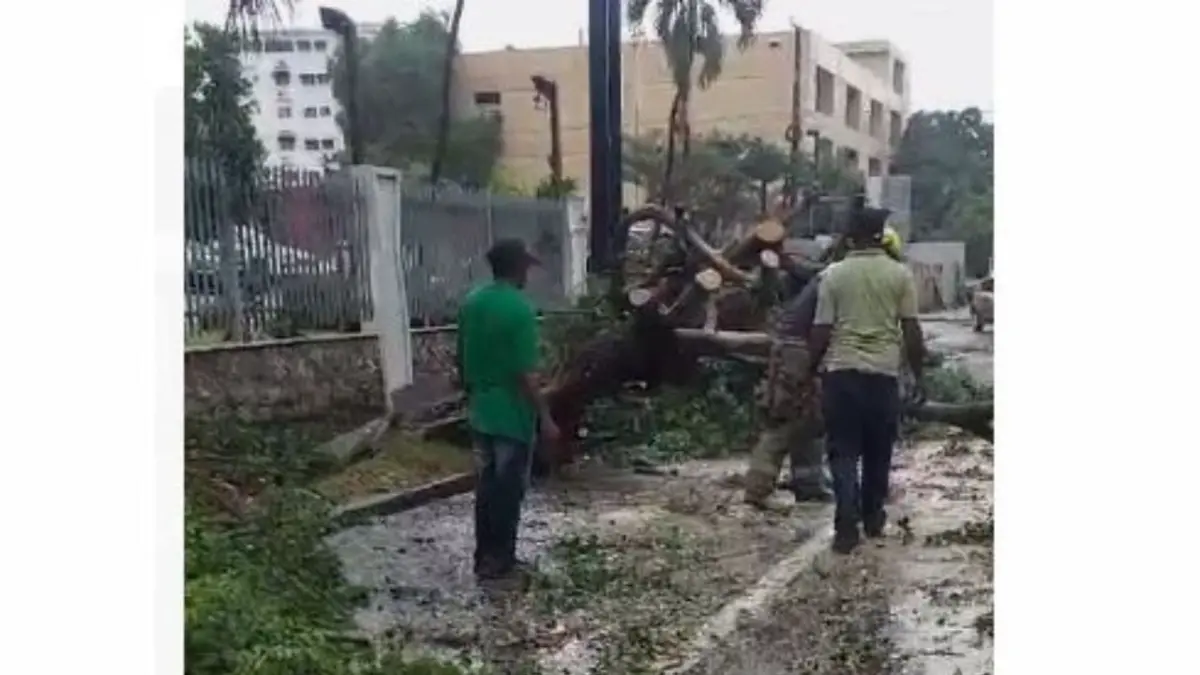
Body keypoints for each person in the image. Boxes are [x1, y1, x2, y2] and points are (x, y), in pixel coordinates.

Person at [808, 211, 925, 554]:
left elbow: (821, 329)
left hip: (841, 374)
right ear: (878, 236)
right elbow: (912, 331)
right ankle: (873, 518)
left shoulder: (833, 275)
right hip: (883, 376)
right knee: (879, 451)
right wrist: (919, 376)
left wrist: (809, 371)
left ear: (849, 237)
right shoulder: (899, 275)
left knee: (843, 451)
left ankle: (846, 525)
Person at [456, 238, 561, 581]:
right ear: (517, 268)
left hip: (481, 410)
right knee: (508, 488)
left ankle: (483, 555)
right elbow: (526, 375)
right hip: (511, 414)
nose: (529, 274)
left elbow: (460, 357)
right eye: (527, 267)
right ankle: (502, 558)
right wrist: (545, 418)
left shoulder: (472, 303)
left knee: (486, 486)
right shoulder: (519, 309)